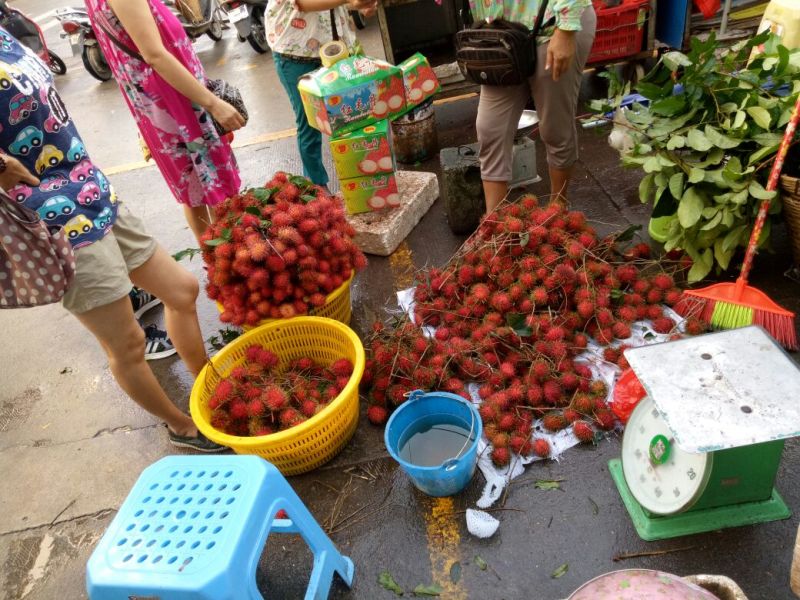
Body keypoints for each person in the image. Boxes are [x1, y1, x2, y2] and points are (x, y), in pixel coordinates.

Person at [0, 29, 224, 451]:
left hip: (90, 188)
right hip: (50, 219)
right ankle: (181, 426)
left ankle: (211, 387)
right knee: (128, 343)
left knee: (182, 290)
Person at [84, 0, 245, 243]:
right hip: (176, 104)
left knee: (197, 189)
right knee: (216, 188)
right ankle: (229, 261)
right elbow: (155, 56)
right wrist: (213, 103)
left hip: (164, 102)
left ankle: (217, 262)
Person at [472, 0, 596, 213]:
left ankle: (557, 211)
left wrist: (566, 28)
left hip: (553, 25)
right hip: (500, 36)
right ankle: (494, 226)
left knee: (555, 128)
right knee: (490, 128)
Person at [265, 0, 377, 188]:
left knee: (351, 114)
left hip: (335, 51)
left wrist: (359, 5)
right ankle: (317, 188)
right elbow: (304, 3)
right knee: (310, 123)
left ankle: (362, 178)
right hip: (295, 57)